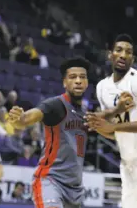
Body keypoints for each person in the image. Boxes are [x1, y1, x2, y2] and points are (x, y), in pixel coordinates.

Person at [85, 34, 137, 208]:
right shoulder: (102, 88)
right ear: (110, 54)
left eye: (128, 52)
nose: (123, 55)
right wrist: (100, 127)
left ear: (133, 59)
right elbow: (115, 133)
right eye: (119, 50)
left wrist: (113, 126)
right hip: (128, 162)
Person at [8, 57, 90, 208]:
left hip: (75, 188)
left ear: (87, 83)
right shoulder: (55, 105)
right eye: (72, 77)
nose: (78, 81)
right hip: (51, 181)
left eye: (82, 77)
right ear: (64, 83)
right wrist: (20, 118)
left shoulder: (85, 114)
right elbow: (28, 117)